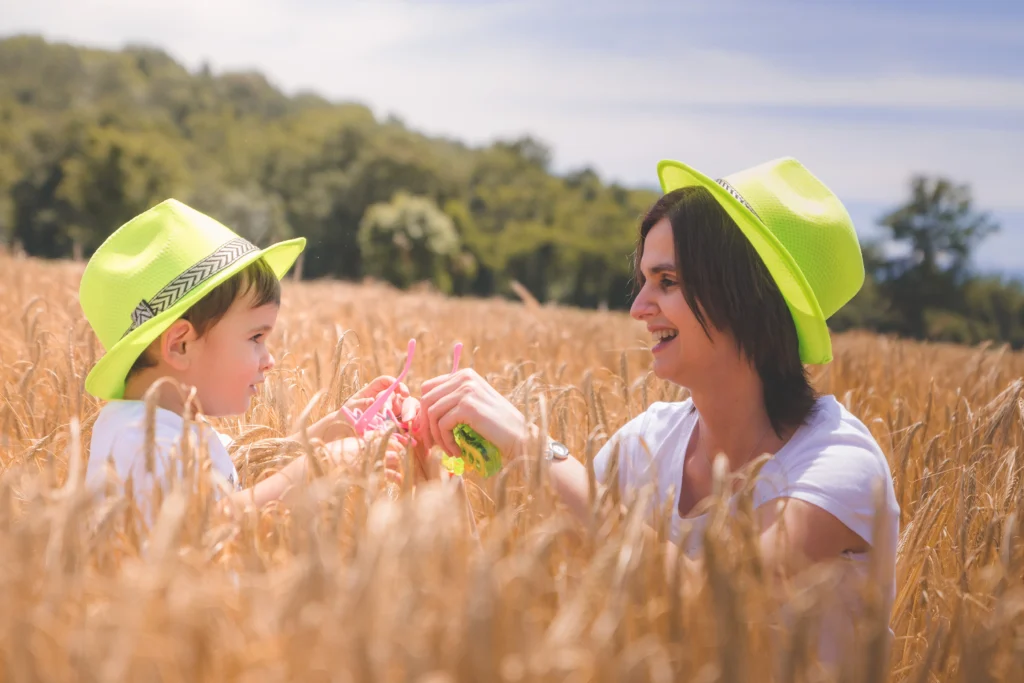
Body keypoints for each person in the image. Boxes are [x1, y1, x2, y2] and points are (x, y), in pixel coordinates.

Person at [408, 157, 900, 663]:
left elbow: (711, 600)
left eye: (667, 281)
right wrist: (445, 476)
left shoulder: (840, 466)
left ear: (747, 297)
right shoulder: (644, 444)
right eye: (644, 280)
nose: (639, 307)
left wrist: (536, 450)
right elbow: (548, 595)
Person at [80, 199, 407, 520]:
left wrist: (338, 426)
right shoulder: (141, 441)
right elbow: (207, 523)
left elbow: (249, 462)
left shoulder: (178, 424)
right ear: (180, 345)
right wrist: (316, 467)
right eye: (255, 338)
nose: (270, 360)